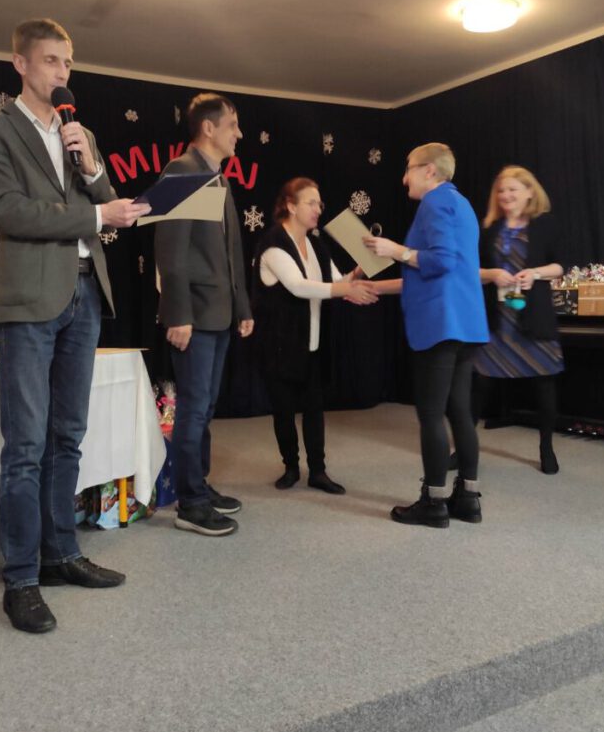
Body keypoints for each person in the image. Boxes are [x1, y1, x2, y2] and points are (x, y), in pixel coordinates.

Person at [0, 18, 151, 633]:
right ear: (20, 64)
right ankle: (21, 579)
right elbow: (10, 212)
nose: (62, 73)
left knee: (68, 436)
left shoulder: (80, 132)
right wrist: (95, 212)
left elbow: (108, 202)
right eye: (50, 61)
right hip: (28, 300)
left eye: (67, 62)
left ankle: (61, 553)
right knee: (25, 446)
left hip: (85, 292)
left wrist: (92, 166)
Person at [364, 143, 488, 527]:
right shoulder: (461, 203)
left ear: (430, 170)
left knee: (431, 414)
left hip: (441, 322)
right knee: (459, 411)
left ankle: (433, 503)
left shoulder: (435, 203)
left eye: (409, 169)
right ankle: (467, 498)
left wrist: (396, 251)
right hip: (466, 322)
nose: (404, 179)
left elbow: (440, 261)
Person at [154, 93, 253, 537]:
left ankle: (199, 484)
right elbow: (170, 252)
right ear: (208, 128)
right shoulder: (181, 171)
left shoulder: (217, 178)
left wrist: (242, 306)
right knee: (193, 410)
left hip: (219, 313)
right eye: (233, 125)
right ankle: (190, 503)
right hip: (193, 314)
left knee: (205, 407)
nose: (239, 134)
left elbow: (231, 251)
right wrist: (178, 314)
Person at [252, 177, 377, 494]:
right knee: (284, 410)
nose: (318, 209)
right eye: (311, 202)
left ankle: (318, 471)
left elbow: (336, 281)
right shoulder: (273, 244)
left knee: (314, 408)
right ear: (291, 206)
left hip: (312, 343)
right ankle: (291, 467)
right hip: (279, 344)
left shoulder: (316, 244)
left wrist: (362, 268)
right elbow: (299, 286)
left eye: (319, 203)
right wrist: (345, 289)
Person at [475, 166, 564, 474]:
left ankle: (546, 449)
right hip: (496, 318)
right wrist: (491, 274)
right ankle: (463, 449)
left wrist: (535, 273)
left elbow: (561, 266)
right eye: (501, 190)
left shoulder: (545, 224)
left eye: (512, 189)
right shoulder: (489, 228)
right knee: (480, 384)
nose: (506, 195)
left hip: (534, 315)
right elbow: (472, 271)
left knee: (544, 384)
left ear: (529, 192)